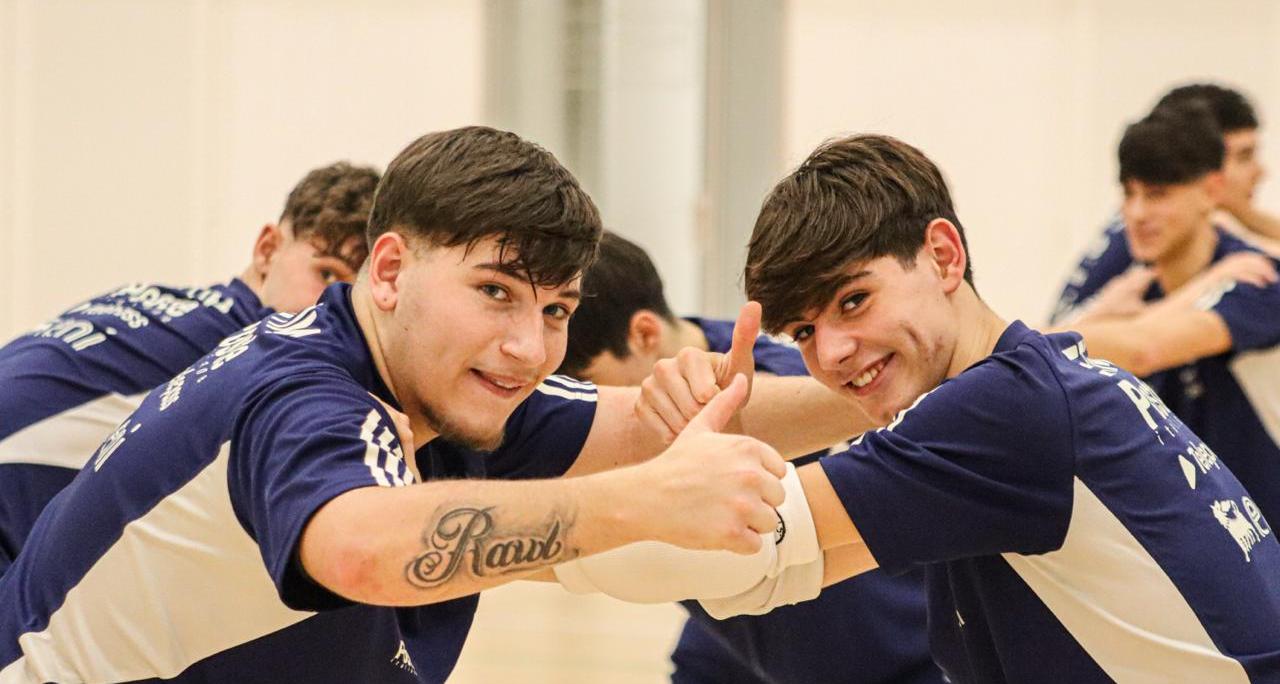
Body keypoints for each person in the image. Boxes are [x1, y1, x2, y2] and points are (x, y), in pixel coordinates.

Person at [0, 126, 859, 684]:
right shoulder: (306, 393)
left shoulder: (452, 383)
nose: (529, 346)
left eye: (555, 310)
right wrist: (648, 500)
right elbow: (362, 550)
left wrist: (882, 388)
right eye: (494, 291)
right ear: (386, 271)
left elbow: (642, 427)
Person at [619, 133, 1280, 682]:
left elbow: (755, 557)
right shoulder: (1033, 384)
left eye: (854, 301)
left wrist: (542, 512)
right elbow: (768, 576)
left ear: (943, 255)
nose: (835, 352)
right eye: (803, 334)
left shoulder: (996, 411)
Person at [559, 231, 940, 684]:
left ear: (644, 333)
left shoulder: (784, 386)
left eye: (584, 387)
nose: (577, 412)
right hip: (735, 655)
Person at [0, 161, 379, 573]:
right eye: (326, 274)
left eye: (350, 294)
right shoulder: (253, 345)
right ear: (267, 249)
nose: (331, 308)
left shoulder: (149, 298)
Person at [1051, 103, 1280, 524]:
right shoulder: (1130, 282)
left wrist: (1088, 326)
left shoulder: (1256, 275)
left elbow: (1145, 349)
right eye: (1129, 194)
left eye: (1158, 195)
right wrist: (1100, 315)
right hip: (1194, 526)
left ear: (1211, 191)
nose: (1137, 214)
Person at [1052, 82, 1280, 323]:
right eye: (1244, 157)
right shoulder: (1140, 233)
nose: (1259, 172)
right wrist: (1209, 283)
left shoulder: (1216, 225)